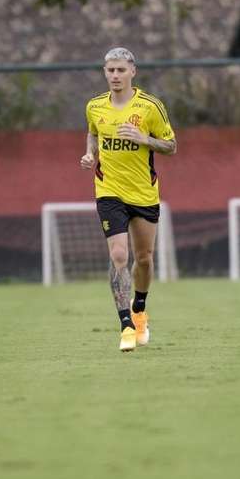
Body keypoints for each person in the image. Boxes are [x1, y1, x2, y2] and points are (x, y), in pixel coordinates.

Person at [80, 47, 177, 352]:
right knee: (119, 256)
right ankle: (125, 325)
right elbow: (93, 133)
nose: (115, 75)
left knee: (144, 258)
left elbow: (171, 146)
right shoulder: (95, 106)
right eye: (110, 70)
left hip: (144, 192)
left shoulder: (150, 107)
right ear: (104, 72)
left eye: (121, 70)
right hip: (109, 191)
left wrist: (143, 139)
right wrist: (89, 154)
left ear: (133, 71)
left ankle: (140, 310)